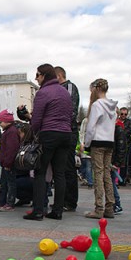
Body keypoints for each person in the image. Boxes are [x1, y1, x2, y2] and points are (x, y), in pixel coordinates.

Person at [24, 64, 72, 221]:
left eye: (37, 75)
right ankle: (57, 211)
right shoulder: (64, 92)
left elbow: (37, 119)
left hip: (49, 133)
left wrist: (33, 134)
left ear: (44, 75)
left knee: (40, 171)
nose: (36, 78)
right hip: (66, 134)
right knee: (59, 173)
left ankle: (38, 211)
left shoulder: (43, 92)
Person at [83, 79, 118, 219]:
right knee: (107, 174)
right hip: (109, 141)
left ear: (96, 89)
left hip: (97, 142)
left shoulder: (97, 105)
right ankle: (110, 206)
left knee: (98, 174)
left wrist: (86, 143)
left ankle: (99, 208)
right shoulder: (113, 107)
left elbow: (91, 127)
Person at [55, 66, 80, 212]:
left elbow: (70, 109)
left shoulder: (69, 87)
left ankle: (70, 201)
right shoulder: (56, 89)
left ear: (59, 75)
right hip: (60, 131)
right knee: (60, 168)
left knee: (68, 167)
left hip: (68, 132)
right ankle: (61, 199)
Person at [0, 109, 20, 212]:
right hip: (5, 163)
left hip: (8, 164)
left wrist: (7, 162)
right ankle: (2, 202)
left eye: (1, 122)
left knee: (10, 184)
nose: (0, 124)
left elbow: (12, 150)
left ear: (7, 121)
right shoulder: (8, 132)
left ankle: (10, 203)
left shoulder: (11, 132)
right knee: (3, 184)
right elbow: (5, 148)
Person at [118, 107, 131, 185]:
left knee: (125, 162)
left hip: (126, 144)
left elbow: (130, 131)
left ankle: (122, 179)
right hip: (117, 144)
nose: (123, 115)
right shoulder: (116, 121)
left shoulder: (130, 122)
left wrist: (120, 132)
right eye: (122, 114)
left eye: (125, 114)